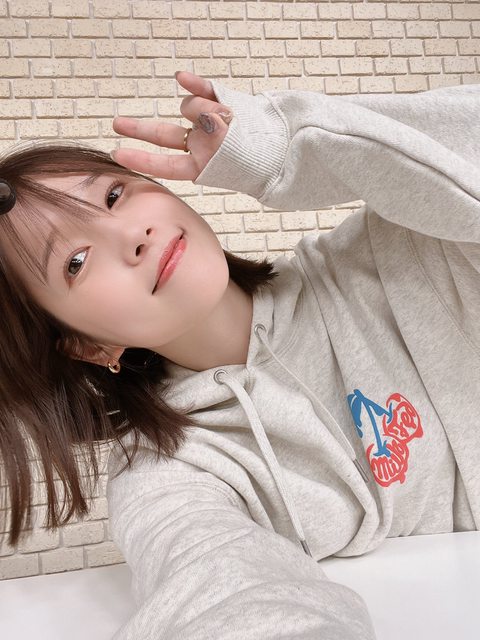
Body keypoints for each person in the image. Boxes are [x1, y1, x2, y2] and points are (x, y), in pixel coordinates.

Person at [0, 70, 479, 638]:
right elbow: (217, 587)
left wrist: (290, 149)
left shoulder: (394, 251)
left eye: (112, 195)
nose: (131, 236)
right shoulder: (172, 469)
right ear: (84, 345)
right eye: (75, 262)